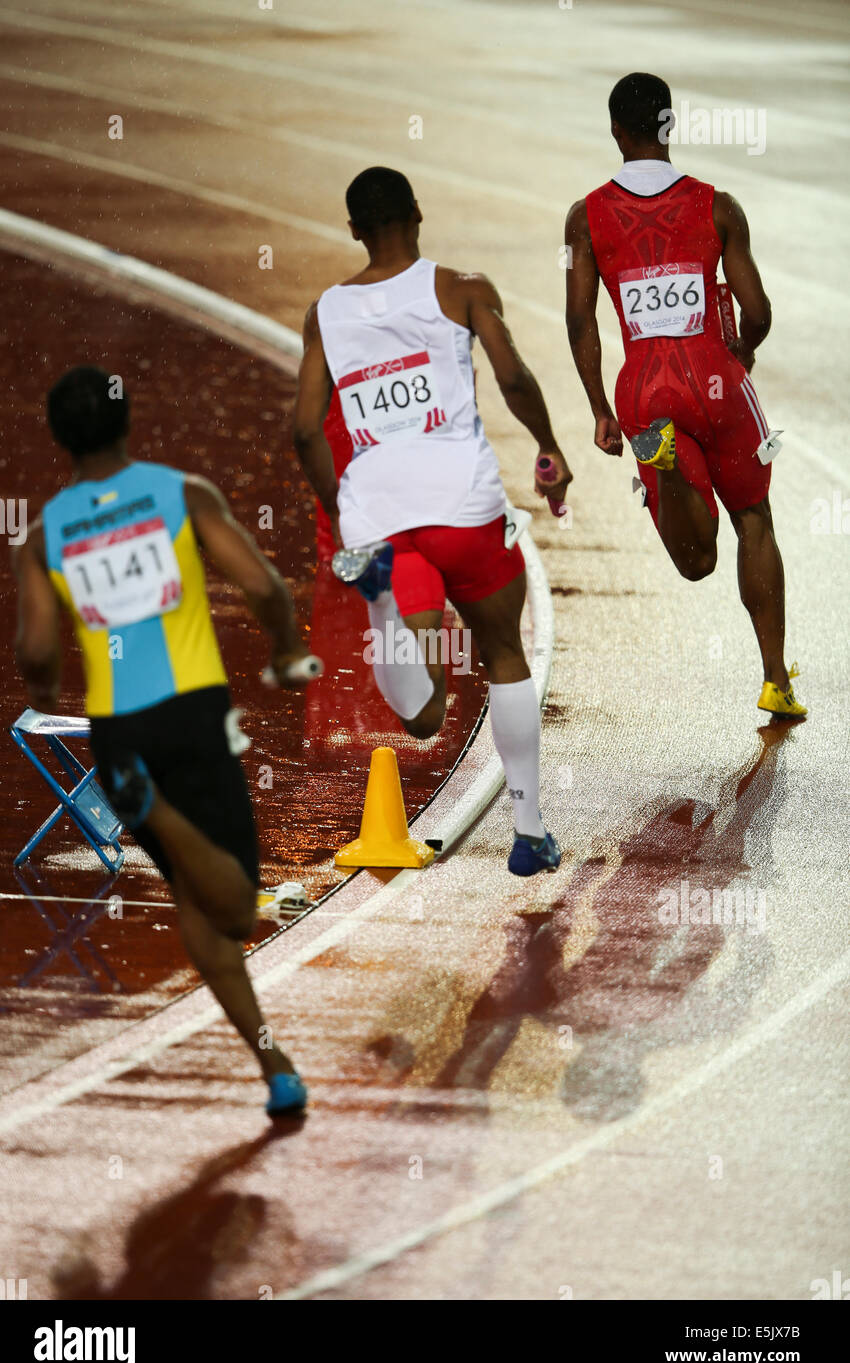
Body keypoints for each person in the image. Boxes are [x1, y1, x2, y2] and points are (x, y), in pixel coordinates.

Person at [12, 365, 313, 1116]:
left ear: (59, 440)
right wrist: (282, 650)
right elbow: (264, 586)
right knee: (239, 912)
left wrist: (45, 691)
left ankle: (275, 1064)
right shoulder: (182, 495)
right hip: (193, 716)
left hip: (121, 734)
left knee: (197, 909)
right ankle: (170, 820)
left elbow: (40, 650)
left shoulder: (46, 536)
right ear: (126, 420)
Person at [293, 167, 573, 876]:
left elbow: (303, 430)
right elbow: (513, 378)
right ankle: (529, 829)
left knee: (421, 719)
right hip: (464, 507)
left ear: (353, 229)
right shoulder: (464, 290)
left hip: (380, 513)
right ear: (418, 214)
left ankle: (385, 599)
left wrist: (343, 511)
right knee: (504, 651)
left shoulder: (324, 312)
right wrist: (548, 445)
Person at [565, 72, 806, 720]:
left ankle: (669, 475)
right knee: (754, 519)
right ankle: (775, 679)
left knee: (695, 562)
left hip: (643, 390)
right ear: (670, 127)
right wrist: (742, 352)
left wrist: (598, 409)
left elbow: (580, 319)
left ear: (616, 131)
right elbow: (757, 310)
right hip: (718, 379)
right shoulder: (719, 206)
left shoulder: (584, 219)